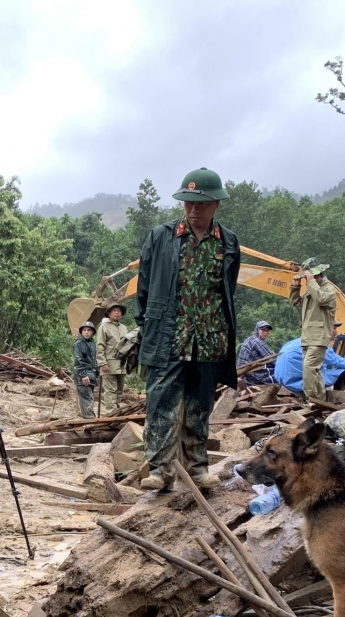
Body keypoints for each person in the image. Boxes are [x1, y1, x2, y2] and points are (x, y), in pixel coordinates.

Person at [135, 167, 240, 492]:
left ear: (216, 206)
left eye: (201, 205)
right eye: (188, 204)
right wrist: (148, 328)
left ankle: (197, 469)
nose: (194, 210)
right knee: (161, 406)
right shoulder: (161, 237)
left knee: (199, 407)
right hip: (168, 338)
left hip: (209, 342)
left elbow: (227, 290)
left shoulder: (228, 243)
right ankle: (160, 471)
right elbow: (143, 290)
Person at [288, 257, 338, 402]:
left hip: (319, 337)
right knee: (313, 371)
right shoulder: (311, 290)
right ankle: (319, 400)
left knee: (309, 368)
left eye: (312, 276)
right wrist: (295, 287)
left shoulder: (328, 290)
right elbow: (297, 303)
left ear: (319, 274)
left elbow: (321, 299)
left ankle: (311, 400)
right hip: (307, 336)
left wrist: (310, 282)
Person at [272, 336, 345, 395]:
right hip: (294, 379)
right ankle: (337, 396)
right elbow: (337, 360)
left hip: (281, 377)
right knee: (344, 371)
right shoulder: (318, 343)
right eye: (333, 328)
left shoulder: (297, 341)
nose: (336, 332)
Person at [95, 302, 129, 414]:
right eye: (114, 310)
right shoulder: (104, 327)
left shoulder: (124, 328)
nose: (117, 313)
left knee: (119, 390)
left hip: (122, 364)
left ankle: (117, 413)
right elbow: (100, 345)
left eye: (119, 311)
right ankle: (111, 413)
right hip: (108, 364)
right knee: (110, 390)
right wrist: (102, 362)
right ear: (109, 313)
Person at [237, 320, 274, 388]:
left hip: (243, 373)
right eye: (263, 330)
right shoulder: (257, 341)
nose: (265, 333)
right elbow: (271, 358)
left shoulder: (250, 339)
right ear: (257, 330)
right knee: (278, 373)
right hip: (251, 373)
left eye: (267, 331)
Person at [73, 322, 99, 418]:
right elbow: (78, 360)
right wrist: (83, 375)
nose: (86, 332)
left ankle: (88, 421)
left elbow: (94, 360)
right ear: (81, 332)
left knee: (89, 400)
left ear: (92, 332)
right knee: (87, 400)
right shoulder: (78, 344)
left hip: (91, 375)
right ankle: (90, 421)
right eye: (84, 330)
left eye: (89, 330)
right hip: (83, 376)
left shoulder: (92, 343)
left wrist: (97, 372)